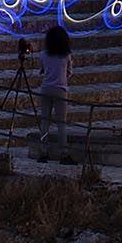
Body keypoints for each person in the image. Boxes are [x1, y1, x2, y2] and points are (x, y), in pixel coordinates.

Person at [36, 21, 73, 156]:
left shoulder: (44, 54)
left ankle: (43, 150)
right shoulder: (66, 55)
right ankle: (63, 151)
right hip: (61, 90)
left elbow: (41, 70)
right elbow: (70, 72)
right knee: (61, 123)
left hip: (46, 88)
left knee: (45, 121)